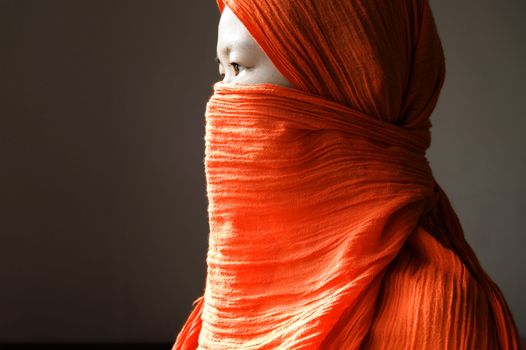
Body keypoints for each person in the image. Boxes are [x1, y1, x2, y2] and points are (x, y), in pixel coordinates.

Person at [173, 0, 521, 349]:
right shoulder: (232, 304)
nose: (220, 99)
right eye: (222, 71)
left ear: (342, 84)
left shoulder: (435, 316)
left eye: (238, 66)